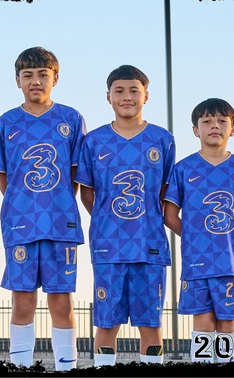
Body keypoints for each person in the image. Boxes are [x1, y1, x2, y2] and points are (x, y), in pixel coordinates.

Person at [0, 47, 86, 370]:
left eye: (42, 74)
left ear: (54, 78)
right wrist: (24, 206)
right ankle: (20, 367)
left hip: (60, 224)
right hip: (20, 224)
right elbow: (4, 179)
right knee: (22, 302)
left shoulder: (71, 119)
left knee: (61, 302)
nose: (35, 81)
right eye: (28, 75)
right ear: (17, 80)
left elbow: (75, 175)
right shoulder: (6, 122)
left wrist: (56, 204)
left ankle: (66, 367)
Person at [75, 64, 175, 366]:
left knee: (151, 325)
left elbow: (165, 193)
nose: (127, 97)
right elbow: (88, 194)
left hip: (149, 244)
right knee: (106, 324)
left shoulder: (162, 139)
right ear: (108, 97)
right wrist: (108, 220)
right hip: (109, 246)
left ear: (146, 96)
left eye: (134, 90)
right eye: (119, 91)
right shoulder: (94, 141)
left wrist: (144, 219)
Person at [164, 98, 234, 363]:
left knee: (227, 322)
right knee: (202, 321)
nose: (215, 125)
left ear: (232, 129)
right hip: (196, 261)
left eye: (222, 121)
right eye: (207, 121)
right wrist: (194, 238)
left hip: (231, 262)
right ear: (196, 129)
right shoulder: (183, 169)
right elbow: (169, 215)